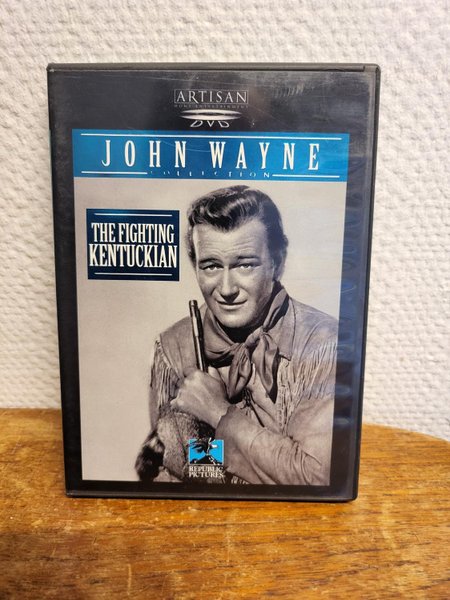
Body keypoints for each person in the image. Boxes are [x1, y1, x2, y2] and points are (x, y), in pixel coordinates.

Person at [136, 185, 337, 486]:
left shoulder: (324, 344)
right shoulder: (175, 347)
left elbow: (314, 478)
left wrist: (218, 413)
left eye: (245, 265)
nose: (227, 289)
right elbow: (182, 475)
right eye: (211, 266)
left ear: (278, 262)